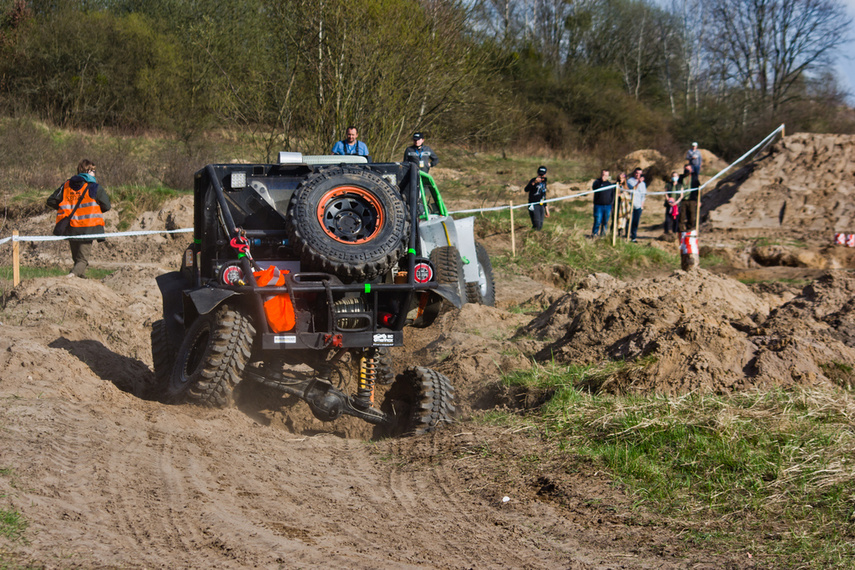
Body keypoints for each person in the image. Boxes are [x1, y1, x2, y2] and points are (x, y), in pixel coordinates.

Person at [46, 159, 111, 278]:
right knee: (82, 260)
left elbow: (51, 201)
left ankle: (80, 280)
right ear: (88, 171)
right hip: (88, 228)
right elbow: (107, 206)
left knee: (77, 259)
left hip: (71, 227)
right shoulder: (94, 187)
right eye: (93, 171)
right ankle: (71, 277)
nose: (95, 174)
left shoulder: (66, 185)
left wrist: (65, 209)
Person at [524, 166, 549, 231]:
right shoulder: (533, 180)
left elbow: (544, 195)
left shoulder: (544, 182)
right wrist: (534, 183)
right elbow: (526, 189)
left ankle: (535, 235)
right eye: (540, 174)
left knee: (540, 225)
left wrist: (546, 208)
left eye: (542, 175)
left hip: (541, 205)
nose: (541, 176)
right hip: (534, 204)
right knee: (536, 224)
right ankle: (531, 235)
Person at [591, 169, 614, 238]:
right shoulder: (597, 182)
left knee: (605, 222)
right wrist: (601, 181)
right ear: (601, 175)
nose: (605, 176)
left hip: (607, 206)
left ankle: (603, 235)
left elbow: (612, 194)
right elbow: (594, 188)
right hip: (599, 206)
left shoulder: (610, 184)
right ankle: (594, 234)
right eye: (603, 175)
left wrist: (611, 203)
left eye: (606, 175)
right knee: (598, 221)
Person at [678, 164, 699, 234]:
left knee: (692, 216)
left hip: (692, 199)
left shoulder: (694, 178)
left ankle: (690, 228)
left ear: (691, 170)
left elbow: (698, 189)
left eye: (688, 169)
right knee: (682, 216)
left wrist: (698, 200)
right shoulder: (681, 178)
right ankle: (680, 230)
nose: (686, 170)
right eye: (685, 169)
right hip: (683, 200)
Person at [626, 168, 646, 242]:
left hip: (638, 206)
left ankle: (633, 237)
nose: (638, 175)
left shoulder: (643, 184)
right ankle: (627, 235)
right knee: (629, 222)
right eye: (637, 173)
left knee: (635, 222)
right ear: (634, 173)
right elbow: (633, 188)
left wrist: (642, 206)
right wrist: (638, 183)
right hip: (630, 204)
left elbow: (643, 195)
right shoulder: (630, 181)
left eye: (640, 173)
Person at [613, 172, 632, 238]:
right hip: (616, 205)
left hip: (624, 206)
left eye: (622, 178)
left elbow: (629, 196)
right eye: (620, 178)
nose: (621, 179)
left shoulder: (626, 187)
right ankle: (612, 235)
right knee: (615, 221)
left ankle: (620, 234)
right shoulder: (616, 185)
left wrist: (623, 195)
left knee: (622, 221)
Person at [663, 171, 682, 235]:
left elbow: (681, 196)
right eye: (673, 176)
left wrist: (676, 202)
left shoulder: (680, 185)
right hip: (669, 204)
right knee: (667, 220)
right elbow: (666, 193)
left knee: (676, 220)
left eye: (676, 176)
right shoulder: (668, 184)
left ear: (678, 177)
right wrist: (669, 201)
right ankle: (666, 232)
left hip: (677, 205)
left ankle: (674, 232)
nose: (674, 178)